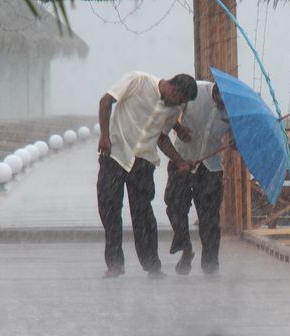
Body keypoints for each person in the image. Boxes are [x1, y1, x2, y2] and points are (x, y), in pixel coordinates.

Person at [97, 72, 198, 278]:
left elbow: (162, 139)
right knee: (110, 211)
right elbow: (106, 101)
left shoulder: (173, 108)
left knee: (143, 217)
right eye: (180, 99)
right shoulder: (138, 81)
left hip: (143, 163)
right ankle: (115, 264)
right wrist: (105, 136)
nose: (179, 105)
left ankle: (152, 266)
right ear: (173, 88)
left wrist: (180, 161)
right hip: (115, 155)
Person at [165, 80, 231, 275]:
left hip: (210, 168)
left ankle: (210, 266)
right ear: (216, 91)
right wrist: (178, 129)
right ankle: (186, 248)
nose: (222, 107)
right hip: (182, 159)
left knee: (209, 219)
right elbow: (169, 116)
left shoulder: (233, 109)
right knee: (174, 207)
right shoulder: (195, 91)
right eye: (220, 102)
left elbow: (236, 136)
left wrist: (235, 142)